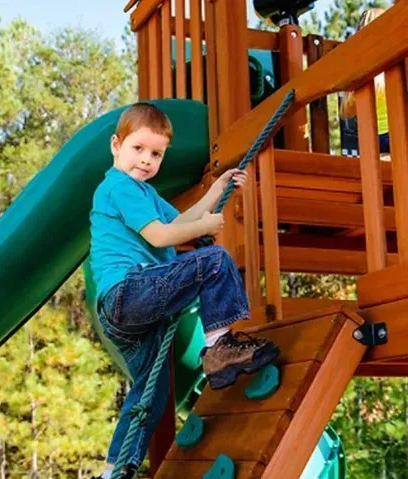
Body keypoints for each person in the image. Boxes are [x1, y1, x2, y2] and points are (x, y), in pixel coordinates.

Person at [89, 102, 280, 479]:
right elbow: (161, 235)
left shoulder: (145, 194)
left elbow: (180, 220)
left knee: (151, 393)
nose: (146, 160)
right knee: (214, 260)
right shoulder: (117, 186)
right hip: (129, 292)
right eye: (138, 149)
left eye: (156, 153)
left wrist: (219, 188)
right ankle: (219, 348)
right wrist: (205, 226)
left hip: (129, 314)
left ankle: (115, 470)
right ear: (116, 146)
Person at [340, 8, 390, 155]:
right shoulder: (390, 66)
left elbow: (347, 110)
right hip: (393, 132)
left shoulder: (357, 69)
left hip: (371, 138)